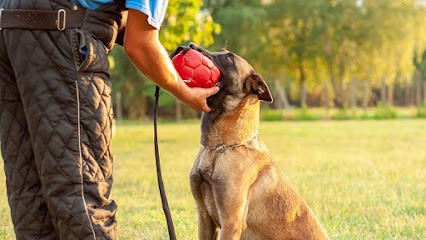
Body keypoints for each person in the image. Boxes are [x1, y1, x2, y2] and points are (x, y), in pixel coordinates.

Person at [0, 0, 219, 239]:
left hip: (9, 27)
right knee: (82, 194)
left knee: (31, 196)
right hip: (61, 30)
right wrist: (184, 92)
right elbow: (141, 44)